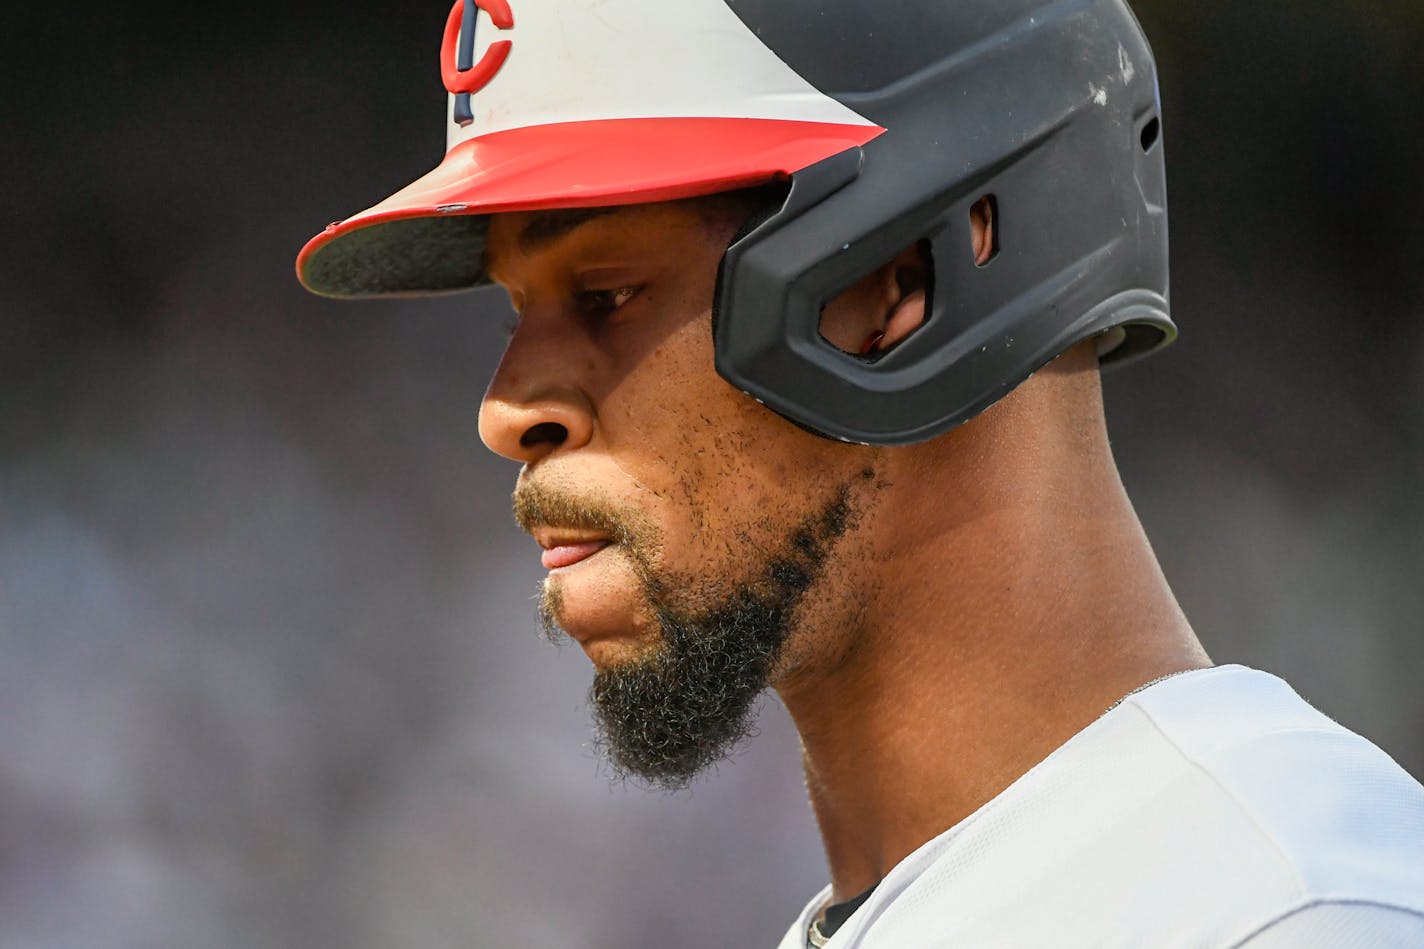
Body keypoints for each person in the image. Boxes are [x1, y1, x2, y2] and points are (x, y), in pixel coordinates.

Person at [297, 1, 1424, 945]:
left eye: (604, 295)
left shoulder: (1290, 908)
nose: (505, 412)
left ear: (901, 275)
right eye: (515, 311)